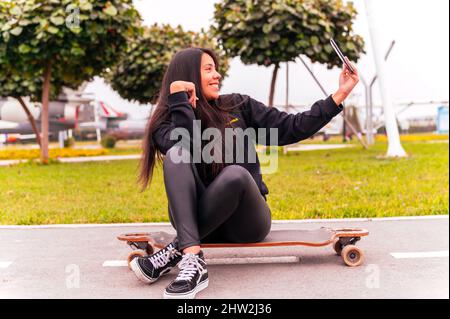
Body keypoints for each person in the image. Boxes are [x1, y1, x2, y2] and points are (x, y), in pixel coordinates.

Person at [131, 47, 359, 299]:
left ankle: (180, 251)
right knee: (177, 155)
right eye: (208, 69)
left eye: (216, 69)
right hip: (195, 219)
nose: (217, 75)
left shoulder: (238, 105)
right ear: (188, 76)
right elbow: (188, 146)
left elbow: (292, 127)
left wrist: (340, 94)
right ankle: (194, 263)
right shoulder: (165, 124)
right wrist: (180, 101)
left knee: (236, 175)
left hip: (247, 221)